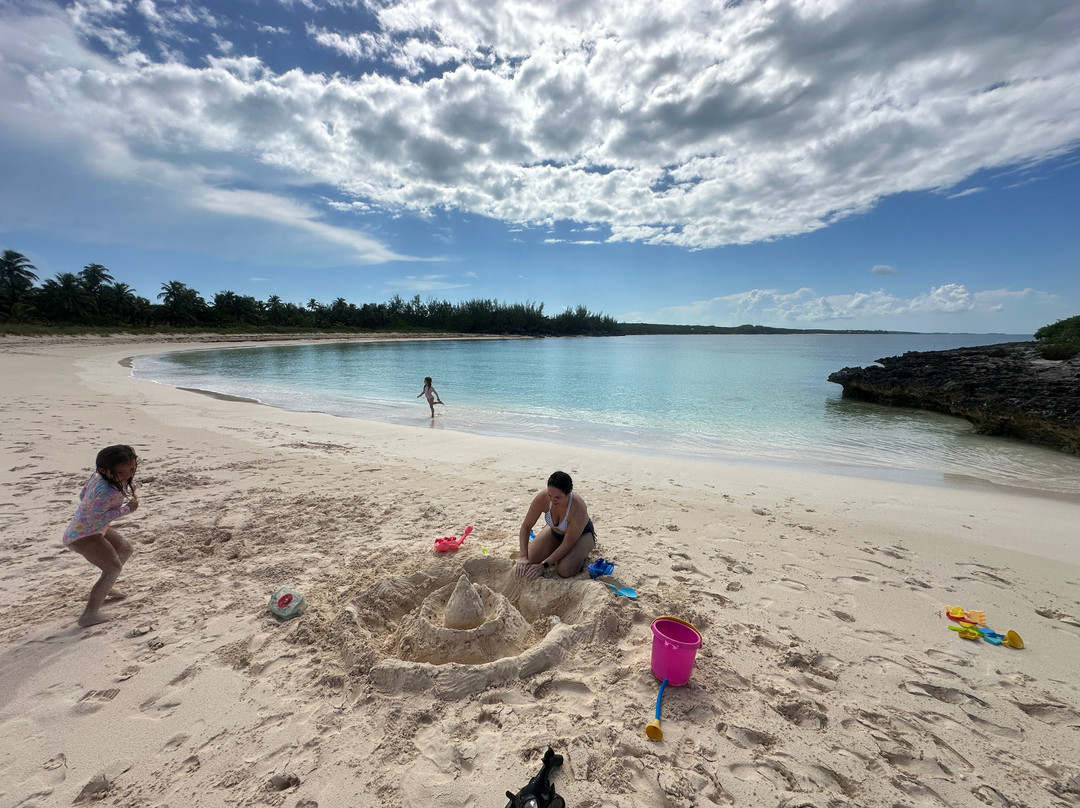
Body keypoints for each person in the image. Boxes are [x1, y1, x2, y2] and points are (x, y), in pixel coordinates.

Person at [62, 445, 140, 627]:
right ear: (105, 470)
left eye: (132, 468)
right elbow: (98, 516)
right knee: (112, 569)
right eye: (121, 472)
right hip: (82, 535)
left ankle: (105, 586)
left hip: (92, 528)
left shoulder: (98, 477)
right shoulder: (106, 490)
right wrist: (126, 509)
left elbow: (83, 495)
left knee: (125, 549)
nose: (127, 474)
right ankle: (89, 615)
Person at [516, 471, 596, 579]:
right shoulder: (543, 498)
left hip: (581, 535)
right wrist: (523, 557)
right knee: (531, 558)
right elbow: (526, 526)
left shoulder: (578, 508)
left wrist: (544, 565)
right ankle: (553, 548)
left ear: (569, 493)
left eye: (558, 497)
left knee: (564, 570)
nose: (553, 500)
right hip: (555, 532)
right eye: (550, 495)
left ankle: (581, 553)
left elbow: (567, 544)